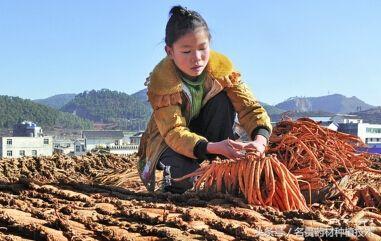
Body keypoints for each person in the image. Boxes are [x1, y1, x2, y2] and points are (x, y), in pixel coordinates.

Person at [138, 5, 272, 193]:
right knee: (183, 183)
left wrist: (259, 141)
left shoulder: (223, 73)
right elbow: (174, 132)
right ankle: (177, 176)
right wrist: (211, 147)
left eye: (203, 48)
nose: (197, 58)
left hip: (213, 140)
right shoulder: (162, 83)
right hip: (171, 142)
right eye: (186, 52)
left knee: (223, 99)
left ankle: (222, 166)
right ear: (169, 51)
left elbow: (249, 108)